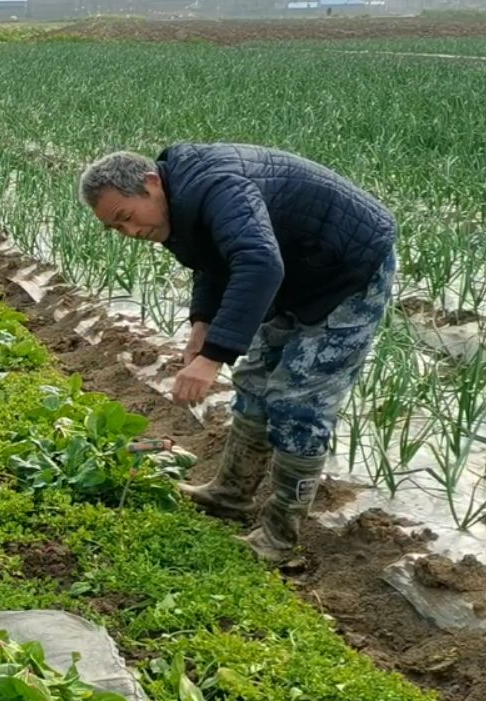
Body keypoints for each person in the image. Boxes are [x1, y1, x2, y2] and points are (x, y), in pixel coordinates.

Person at [78, 145, 396, 562]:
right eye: (116, 229)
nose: (130, 232)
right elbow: (213, 261)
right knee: (255, 381)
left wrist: (212, 358)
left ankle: (279, 539)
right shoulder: (178, 200)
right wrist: (202, 327)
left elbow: (259, 263)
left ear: (151, 183)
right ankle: (230, 495)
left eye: (125, 217)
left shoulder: (216, 187)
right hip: (297, 267)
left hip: (347, 268)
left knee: (298, 401)